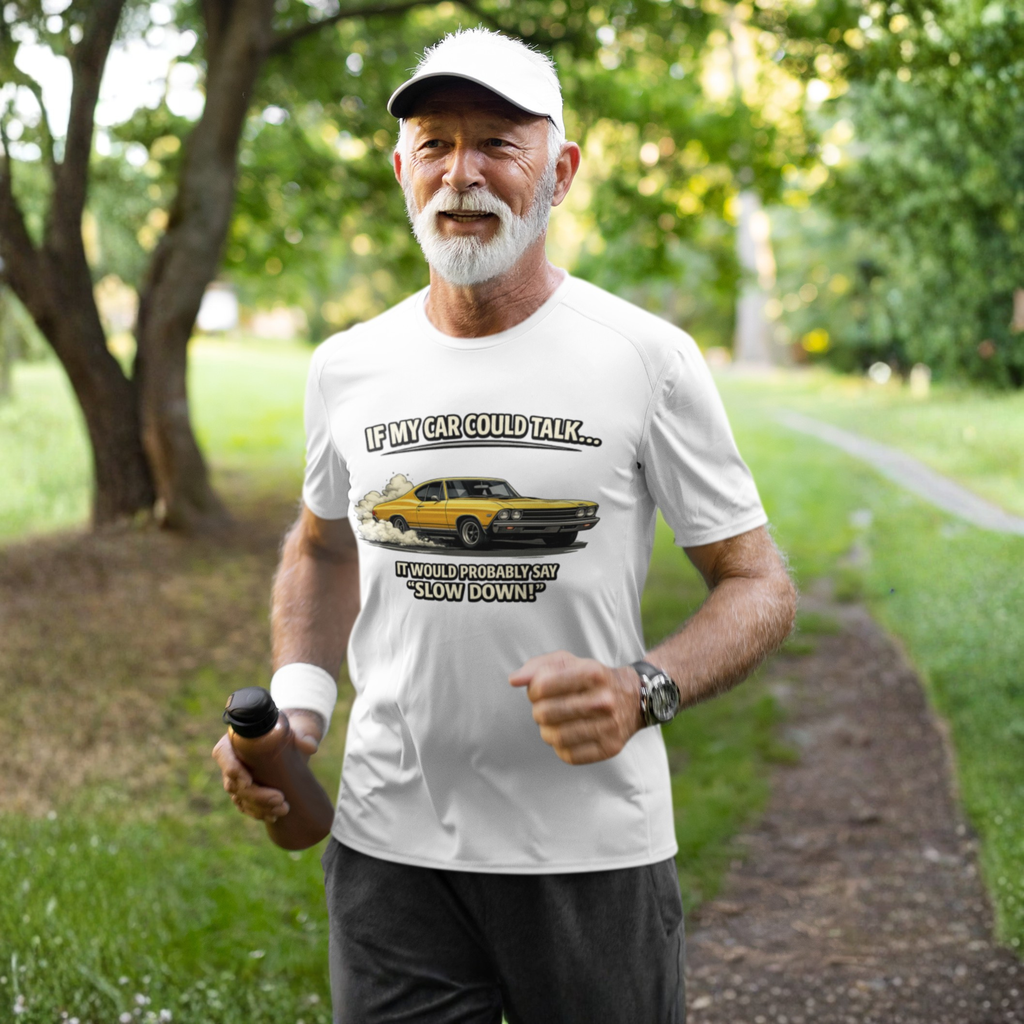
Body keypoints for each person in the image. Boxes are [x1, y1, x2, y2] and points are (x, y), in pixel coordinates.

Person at [212, 27, 796, 1024]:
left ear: (559, 171)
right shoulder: (346, 365)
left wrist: (642, 686)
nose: (461, 174)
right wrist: (301, 708)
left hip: (590, 852)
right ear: (402, 170)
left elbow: (759, 584)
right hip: (387, 849)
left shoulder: (644, 356)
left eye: (497, 142)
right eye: (435, 143)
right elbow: (321, 545)